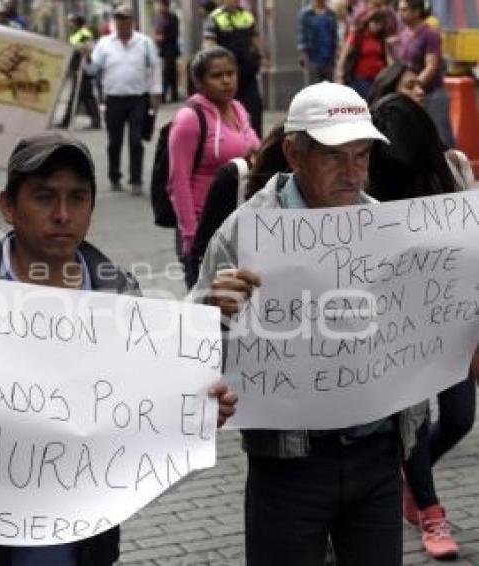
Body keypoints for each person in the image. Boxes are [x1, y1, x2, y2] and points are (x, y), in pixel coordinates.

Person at [0, 130, 240, 566]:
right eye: (44, 197)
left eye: (78, 198)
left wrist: (192, 417)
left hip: (83, 543)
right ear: (7, 206)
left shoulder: (119, 294)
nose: (63, 214)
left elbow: (135, 417)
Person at [193, 82, 427, 565]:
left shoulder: (386, 226)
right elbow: (190, 342)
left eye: (362, 156)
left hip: (378, 457)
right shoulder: (246, 231)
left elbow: (419, 329)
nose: (353, 172)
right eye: (335, 157)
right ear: (294, 154)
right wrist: (212, 313)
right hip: (289, 464)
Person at [367, 92, 476, 560]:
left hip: (451, 315)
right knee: (410, 420)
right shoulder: (368, 181)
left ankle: (409, 480)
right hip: (395, 322)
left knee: (458, 417)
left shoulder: (452, 171)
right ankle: (429, 509)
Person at [167, 47, 259, 289]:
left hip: (235, 223)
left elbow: (253, 146)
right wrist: (190, 236)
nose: (227, 80)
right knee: (206, 303)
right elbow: (178, 182)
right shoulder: (189, 119)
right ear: (199, 81)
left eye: (231, 73)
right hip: (201, 227)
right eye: (217, 76)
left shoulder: (238, 109)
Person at [186, 123, 287, 288]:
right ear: (293, 155)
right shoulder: (233, 179)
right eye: (332, 156)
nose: (345, 172)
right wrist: (209, 299)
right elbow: (201, 254)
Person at [89, 3, 161, 195]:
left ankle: (136, 180)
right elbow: (94, 69)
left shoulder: (144, 42)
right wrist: (85, 57)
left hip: (138, 98)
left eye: (126, 19)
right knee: (114, 142)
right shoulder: (104, 44)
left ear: (132, 22)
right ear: (115, 22)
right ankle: (114, 177)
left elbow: (155, 69)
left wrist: (156, 93)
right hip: (113, 98)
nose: (122, 23)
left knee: (136, 140)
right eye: (119, 19)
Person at [368, 63, 474, 189]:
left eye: (420, 85)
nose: (420, 92)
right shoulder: (369, 151)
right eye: (410, 86)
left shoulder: (450, 158)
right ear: (389, 94)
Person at [395, 0, 455, 148]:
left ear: (416, 12)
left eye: (404, 10)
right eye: (400, 10)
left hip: (432, 95)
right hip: (412, 96)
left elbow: (431, 67)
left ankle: (453, 169)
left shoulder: (430, 34)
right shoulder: (403, 34)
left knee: (442, 139)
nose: (400, 14)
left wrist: (413, 86)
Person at [203, 0, 265, 136]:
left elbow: (256, 40)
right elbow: (209, 46)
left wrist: (259, 57)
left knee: (255, 109)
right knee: (228, 112)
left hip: (248, 74)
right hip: (227, 76)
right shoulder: (215, 18)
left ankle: (256, 145)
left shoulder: (247, 16)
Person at [58, 14, 101, 130]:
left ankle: (66, 121)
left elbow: (89, 48)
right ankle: (95, 120)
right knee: (86, 96)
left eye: (71, 21)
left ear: (76, 23)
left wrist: (80, 47)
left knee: (80, 96)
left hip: (83, 69)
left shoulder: (84, 33)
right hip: (78, 68)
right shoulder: (75, 34)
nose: (69, 24)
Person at [336, 9, 390, 99]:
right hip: (360, 78)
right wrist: (340, 75)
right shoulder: (358, 35)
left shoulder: (381, 39)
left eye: (380, 25)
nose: (377, 27)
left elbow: (387, 58)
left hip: (377, 78)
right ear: (369, 21)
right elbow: (344, 56)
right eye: (375, 23)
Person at [297, 0, 339, 83]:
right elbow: (302, 34)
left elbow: (335, 35)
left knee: (329, 86)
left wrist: (337, 51)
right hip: (313, 57)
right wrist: (302, 53)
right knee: (315, 87)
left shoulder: (331, 14)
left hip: (329, 57)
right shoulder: (306, 14)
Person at [154, 0, 180, 103]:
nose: (160, 8)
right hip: (163, 49)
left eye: (161, 5)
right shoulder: (159, 18)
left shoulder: (173, 18)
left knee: (168, 71)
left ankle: (167, 95)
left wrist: (163, 38)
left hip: (171, 48)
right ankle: (171, 94)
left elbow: (174, 34)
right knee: (168, 71)